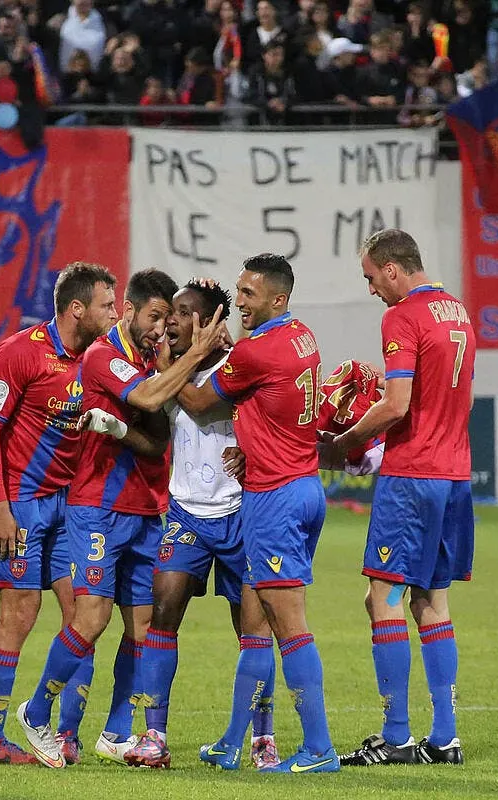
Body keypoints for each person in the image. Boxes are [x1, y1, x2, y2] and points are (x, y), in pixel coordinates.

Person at [16, 269, 226, 769]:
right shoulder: (102, 356)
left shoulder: (153, 359)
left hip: (148, 509)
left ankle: (115, 731)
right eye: (154, 317)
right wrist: (193, 355)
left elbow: (157, 442)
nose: (160, 328)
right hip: (97, 508)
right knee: (90, 619)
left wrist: (125, 426)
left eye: (168, 318)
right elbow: (152, 399)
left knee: (142, 626)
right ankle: (38, 712)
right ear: (129, 311)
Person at [175, 254, 338, 774]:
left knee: (288, 627)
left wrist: (168, 365)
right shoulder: (302, 337)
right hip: (305, 486)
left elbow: (200, 404)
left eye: (248, 294)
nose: (239, 302)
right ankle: (230, 742)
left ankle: (319, 749)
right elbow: (270, 406)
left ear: (278, 299)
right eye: (239, 291)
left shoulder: (255, 350)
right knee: (259, 625)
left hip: (273, 498)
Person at [114, 280, 279, 770]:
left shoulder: (238, 366)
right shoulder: (165, 370)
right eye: (172, 313)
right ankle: (154, 736)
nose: (172, 322)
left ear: (209, 323)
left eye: (185, 313)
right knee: (161, 618)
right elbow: (157, 422)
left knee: (252, 632)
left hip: (240, 515)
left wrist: (171, 364)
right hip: (186, 514)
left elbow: (204, 403)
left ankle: (262, 739)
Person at [328, 228, 474, 767]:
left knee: (381, 600)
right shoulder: (456, 311)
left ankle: (395, 736)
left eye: (370, 277)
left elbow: (395, 404)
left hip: (413, 477)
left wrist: (344, 443)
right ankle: (445, 736)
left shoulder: (403, 316)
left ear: (392, 268)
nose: (371, 289)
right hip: (455, 475)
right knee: (431, 602)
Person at [0, 262, 119, 767]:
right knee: (19, 617)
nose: (113, 313)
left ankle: (64, 734)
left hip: (68, 507)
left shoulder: (101, 357)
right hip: (21, 506)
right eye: (106, 304)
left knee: (83, 617)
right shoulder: (22, 351)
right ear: (77, 308)